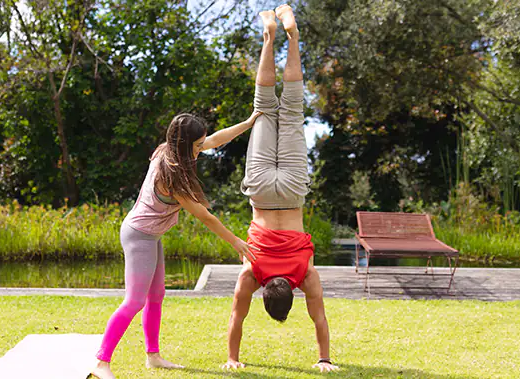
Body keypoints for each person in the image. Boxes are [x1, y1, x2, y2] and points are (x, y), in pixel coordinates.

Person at [91, 111, 261, 379]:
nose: (200, 150)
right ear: (183, 145)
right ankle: (101, 363)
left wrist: (248, 123)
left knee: (156, 295)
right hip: (139, 235)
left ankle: (153, 356)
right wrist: (236, 242)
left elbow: (216, 140)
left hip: (151, 235)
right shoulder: (171, 174)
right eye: (196, 145)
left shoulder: (173, 150)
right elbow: (205, 216)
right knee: (134, 301)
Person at [222, 4, 338, 374]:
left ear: (292, 294)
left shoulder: (305, 274)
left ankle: (292, 36)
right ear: (264, 294)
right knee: (262, 107)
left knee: (290, 109)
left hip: (290, 192)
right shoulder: (250, 273)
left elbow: (320, 321)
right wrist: (231, 360)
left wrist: (325, 359)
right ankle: (269, 37)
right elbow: (236, 319)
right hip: (260, 191)